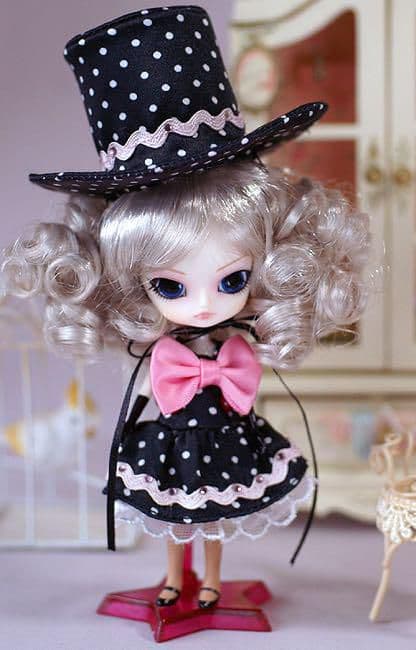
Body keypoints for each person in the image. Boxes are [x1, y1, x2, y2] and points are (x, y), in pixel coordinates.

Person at [3, 6, 370, 610]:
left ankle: (214, 582)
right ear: (125, 282)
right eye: (170, 287)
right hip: (172, 442)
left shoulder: (233, 343)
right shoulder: (162, 349)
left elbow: (240, 378)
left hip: (227, 439)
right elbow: (152, 387)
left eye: (233, 280)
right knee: (173, 517)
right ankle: (175, 579)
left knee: (217, 516)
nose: (204, 305)